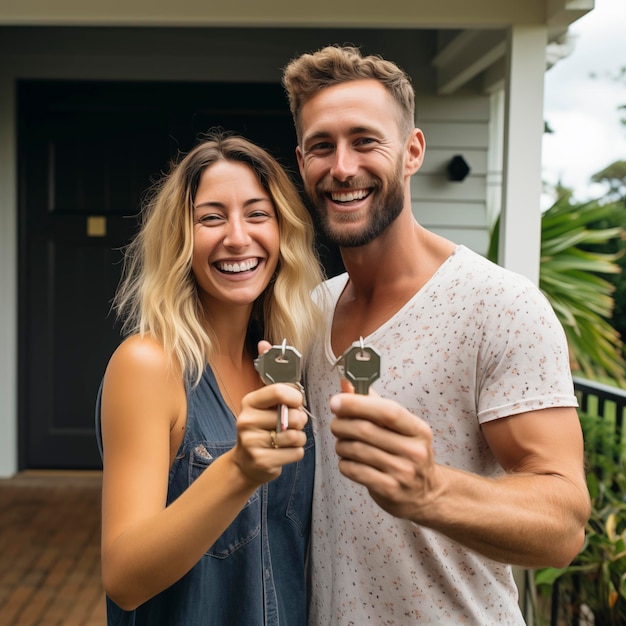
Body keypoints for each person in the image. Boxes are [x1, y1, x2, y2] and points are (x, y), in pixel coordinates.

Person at [282, 45, 591, 624]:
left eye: (365, 140)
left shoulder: (499, 305)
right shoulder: (311, 312)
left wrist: (430, 490)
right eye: (322, 146)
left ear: (411, 152)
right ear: (302, 163)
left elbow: (564, 525)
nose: (342, 167)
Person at [95, 130, 324, 625]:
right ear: (181, 239)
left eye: (257, 214)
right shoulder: (149, 365)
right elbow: (123, 577)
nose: (238, 236)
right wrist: (239, 468)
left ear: (282, 232)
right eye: (211, 218)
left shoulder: (285, 364)